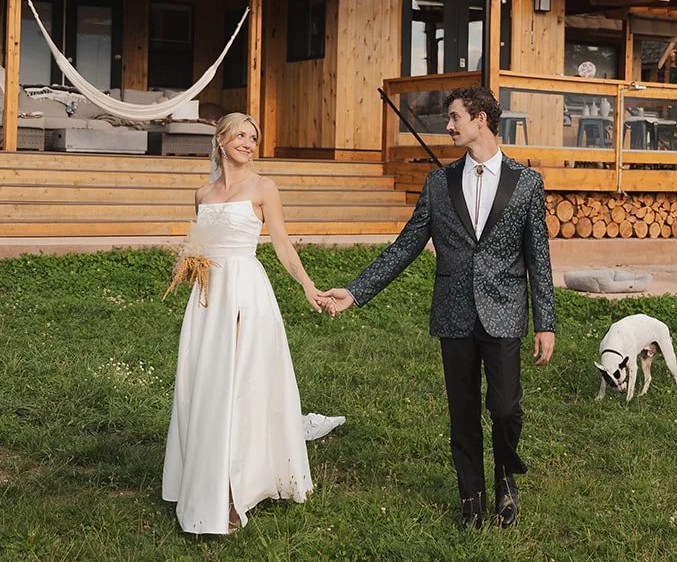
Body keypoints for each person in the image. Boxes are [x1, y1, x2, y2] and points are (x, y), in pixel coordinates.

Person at [321, 85, 555, 529]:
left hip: (505, 311)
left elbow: (538, 257)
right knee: (461, 411)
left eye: (454, 118)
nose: (447, 126)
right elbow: (406, 246)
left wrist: (546, 322)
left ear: (480, 119)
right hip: (453, 312)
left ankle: (506, 478)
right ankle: (471, 498)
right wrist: (355, 291)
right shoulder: (438, 183)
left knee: (505, 407)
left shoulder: (526, 183)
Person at [162, 112, 332, 535]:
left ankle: (235, 492)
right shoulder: (202, 194)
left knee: (237, 387)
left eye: (253, 137)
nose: (247, 143)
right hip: (207, 301)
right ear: (220, 140)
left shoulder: (263, 188)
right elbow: (198, 244)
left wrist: (308, 286)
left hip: (245, 295)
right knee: (206, 386)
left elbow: (282, 245)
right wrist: (186, 265)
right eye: (239, 135)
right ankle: (202, 478)